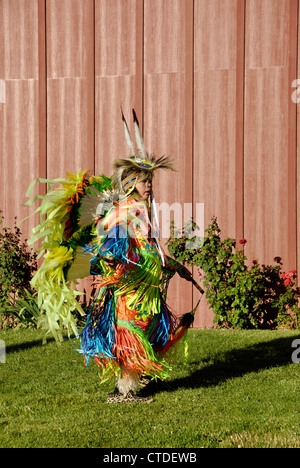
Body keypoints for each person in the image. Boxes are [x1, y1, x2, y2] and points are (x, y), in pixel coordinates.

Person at [25, 110, 195, 403]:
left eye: (150, 181)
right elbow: (111, 245)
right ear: (129, 183)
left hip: (144, 286)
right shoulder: (125, 210)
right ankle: (125, 392)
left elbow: (151, 246)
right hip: (131, 286)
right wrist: (115, 260)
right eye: (143, 181)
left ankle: (128, 385)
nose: (149, 186)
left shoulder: (138, 210)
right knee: (130, 332)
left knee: (145, 328)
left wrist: (177, 267)